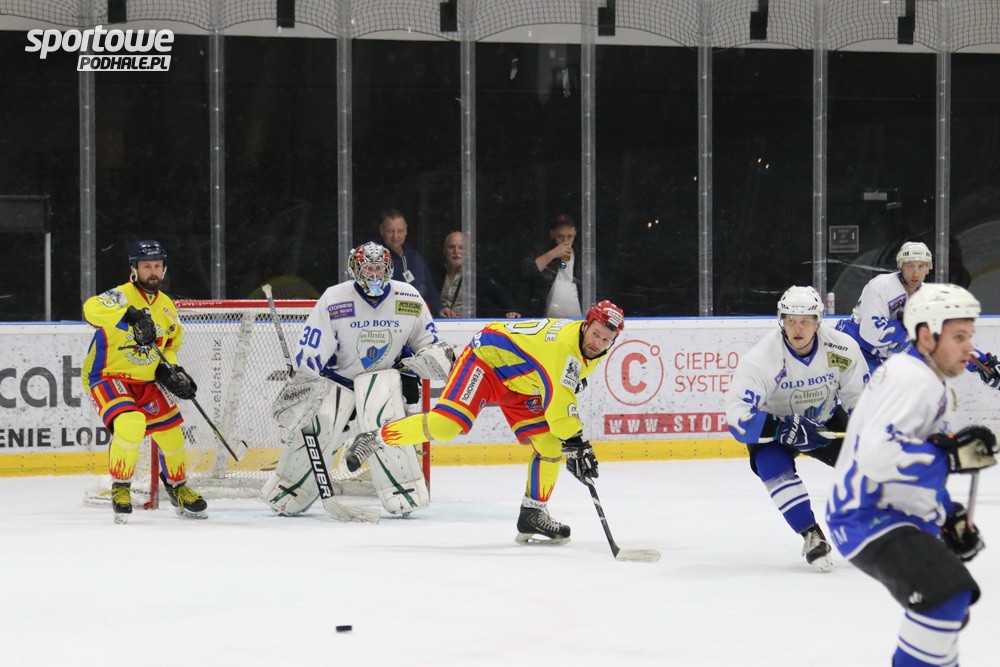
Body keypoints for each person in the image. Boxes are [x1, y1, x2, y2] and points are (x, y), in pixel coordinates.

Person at [342, 300, 626, 545]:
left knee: (550, 445)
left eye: (605, 340)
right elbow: (559, 410)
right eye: (595, 334)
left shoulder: (588, 347)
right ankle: (374, 438)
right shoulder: (565, 349)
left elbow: (562, 383)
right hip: (487, 360)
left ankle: (533, 513)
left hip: (522, 381)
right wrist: (577, 443)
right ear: (585, 325)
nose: (597, 343)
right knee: (445, 426)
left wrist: (571, 439)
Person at [826, 283, 997, 666]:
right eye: (958, 337)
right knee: (945, 597)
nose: (969, 347)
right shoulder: (912, 379)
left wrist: (947, 513)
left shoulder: (921, 377)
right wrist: (950, 458)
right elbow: (878, 455)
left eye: (969, 336)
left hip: (888, 514)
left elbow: (911, 455)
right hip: (866, 517)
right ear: (926, 336)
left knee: (945, 612)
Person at [263, 241, 456, 518]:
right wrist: (305, 379)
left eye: (379, 269)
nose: (374, 275)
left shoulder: (408, 297)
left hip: (383, 378)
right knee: (322, 425)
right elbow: (314, 344)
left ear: (388, 269)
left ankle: (403, 488)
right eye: (368, 269)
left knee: (381, 418)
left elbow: (428, 340)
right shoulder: (335, 298)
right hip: (338, 379)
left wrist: (432, 357)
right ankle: (290, 487)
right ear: (355, 269)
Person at [724, 285, 869, 571]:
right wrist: (783, 427)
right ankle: (811, 535)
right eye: (791, 320)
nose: (797, 328)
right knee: (772, 470)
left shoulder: (841, 348)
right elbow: (738, 420)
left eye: (805, 321)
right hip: (777, 431)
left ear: (818, 322)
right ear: (782, 321)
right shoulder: (762, 359)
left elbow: (860, 397)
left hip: (825, 422)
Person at [81, 240, 207, 523]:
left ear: (164, 269)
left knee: (172, 434)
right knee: (131, 423)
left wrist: (171, 372)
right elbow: (90, 309)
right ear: (134, 269)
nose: (153, 271)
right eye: (146, 266)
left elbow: (170, 346)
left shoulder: (167, 307)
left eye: (157, 266)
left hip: (145, 381)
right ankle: (120, 488)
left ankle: (177, 487)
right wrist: (129, 315)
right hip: (107, 376)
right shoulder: (121, 295)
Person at [835, 241, 932, 372]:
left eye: (921, 266)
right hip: (857, 347)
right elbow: (871, 331)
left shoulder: (928, 296)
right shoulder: (880, 285)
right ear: (901, 266)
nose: (915, 273)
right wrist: (907, 327)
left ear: (928, 269)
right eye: (910, 266)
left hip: (883, 356)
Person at [378, 209, 449, 318]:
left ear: (406, 231)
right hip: (389, 319)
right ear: (381, 231)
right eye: (390, 231)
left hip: (416, 317)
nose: (395, 236)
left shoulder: (414, 257)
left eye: (400, 231)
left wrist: (439, 308)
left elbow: (428, 287)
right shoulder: (375, 259)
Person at [438, 230, 521, 319]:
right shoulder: (436, 272)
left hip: (467, 323)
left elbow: (498, 294)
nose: (456, 251)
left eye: (461, 248)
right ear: (444, 250)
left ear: (468, 252)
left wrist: (512, 310)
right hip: (437, 323)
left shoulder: (476, 274)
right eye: (451, 247)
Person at [522, 213, 582, 318]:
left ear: (575, 234)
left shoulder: (581, 256)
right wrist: (553, 253)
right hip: (546, 318)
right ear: (552, 234)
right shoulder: (542, 251)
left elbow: (594, 287)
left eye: (570, 236)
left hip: (577, 319)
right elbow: (526, 272)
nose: (566, 241)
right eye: (560, 236)